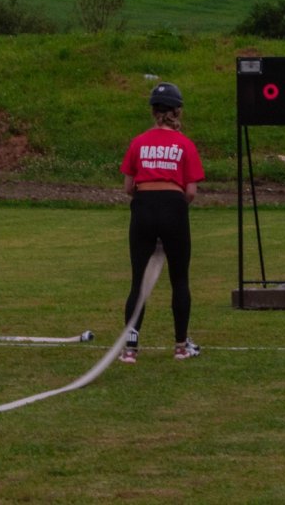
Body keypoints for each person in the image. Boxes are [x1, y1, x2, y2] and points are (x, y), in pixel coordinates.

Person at [119, 82, 204, 363]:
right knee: (179, 279)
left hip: (143, 207)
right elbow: (190, 192)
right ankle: (181, 346)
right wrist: (172, 208)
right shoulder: (185, 144)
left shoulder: (138, 142)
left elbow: (128, 187)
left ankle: (130, 348)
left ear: (153, 111)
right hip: (173, 207)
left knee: (138, 281)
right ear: (177, 111)